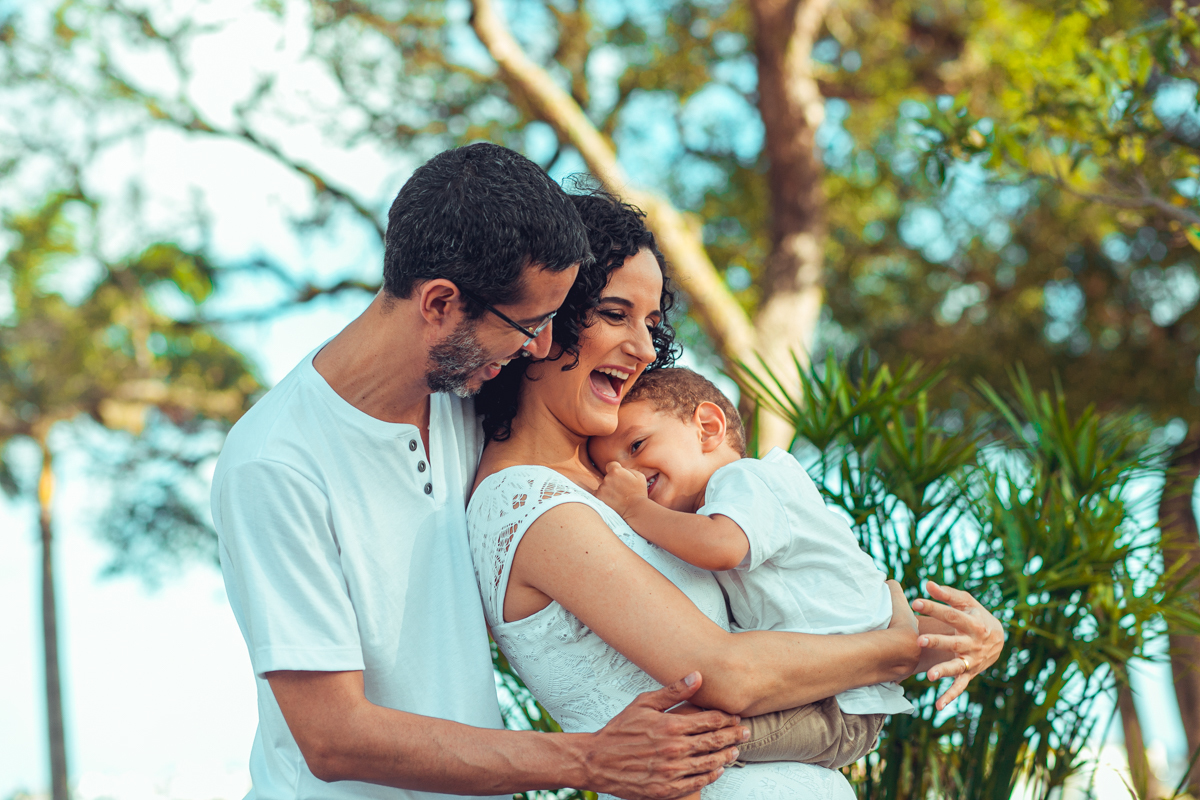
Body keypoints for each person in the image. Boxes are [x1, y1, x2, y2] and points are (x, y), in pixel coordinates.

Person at [210, 143, 751, 800]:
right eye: (528, 324)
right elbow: (333, 736)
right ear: (440, 303)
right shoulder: (276, 463)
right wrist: (589, 760)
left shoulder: (466, 397)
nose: (542, 346)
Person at [468, 187, 1004, 799]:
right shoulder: (527, 503)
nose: (643, 349)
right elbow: (727, 676)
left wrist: (954, 635)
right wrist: (900, 650)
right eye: (616, 314)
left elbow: (802, 601)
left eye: (651, 324)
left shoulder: (630, 489)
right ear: (543, 315)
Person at [588, 366, 914, 770]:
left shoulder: (745, 479)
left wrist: (633, 508)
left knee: (677, 735)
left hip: (837, 702)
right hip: (820, 692)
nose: (626, 474)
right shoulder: (709, 511)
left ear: (708, 428)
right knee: (673, 734)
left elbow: (720, 547)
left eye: (636, 445)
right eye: (609, 469)